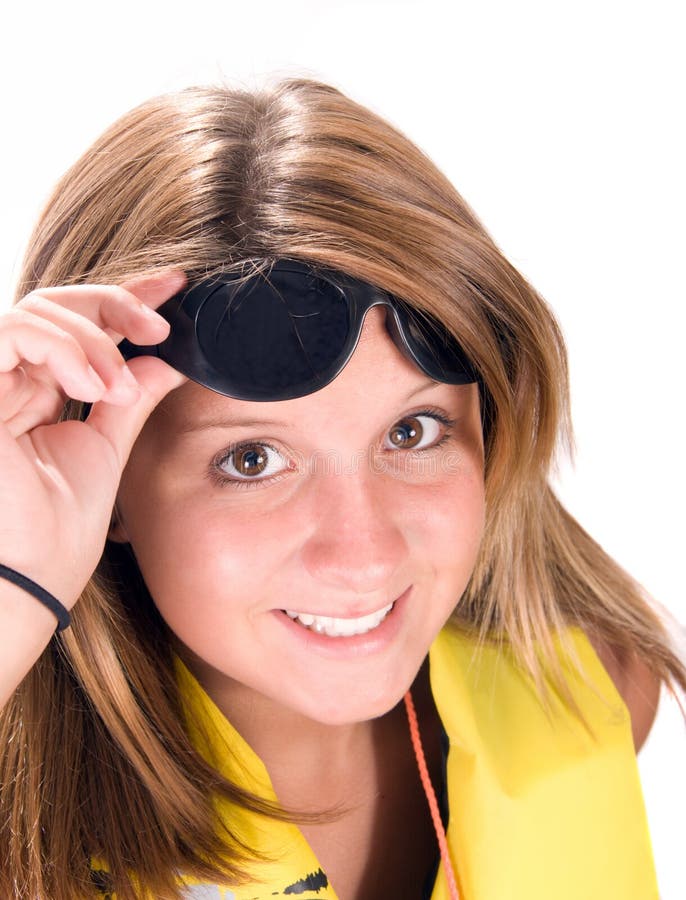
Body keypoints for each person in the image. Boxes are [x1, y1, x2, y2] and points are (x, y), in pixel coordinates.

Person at [0, 77, 682, 900]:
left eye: (412, 433)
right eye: (250, 459)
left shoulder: (591, 690)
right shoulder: (20, 824)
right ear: (104, 483)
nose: (364, 554)